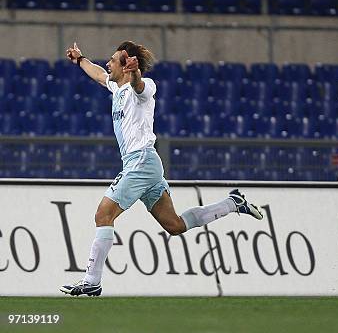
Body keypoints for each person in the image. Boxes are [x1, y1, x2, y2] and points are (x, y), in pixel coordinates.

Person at [60, 41, 263, 297]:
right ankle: (232, 203)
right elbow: (97, 72)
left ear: (126, 66)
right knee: (175, 225)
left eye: (113, 60)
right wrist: (80, 60)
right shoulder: (115, 86)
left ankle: (92, 280)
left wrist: (135, 75)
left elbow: (139, 86)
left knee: (103, 215)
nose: (108, 63)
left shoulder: (144, 88)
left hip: (141, 162)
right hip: (145, 166)